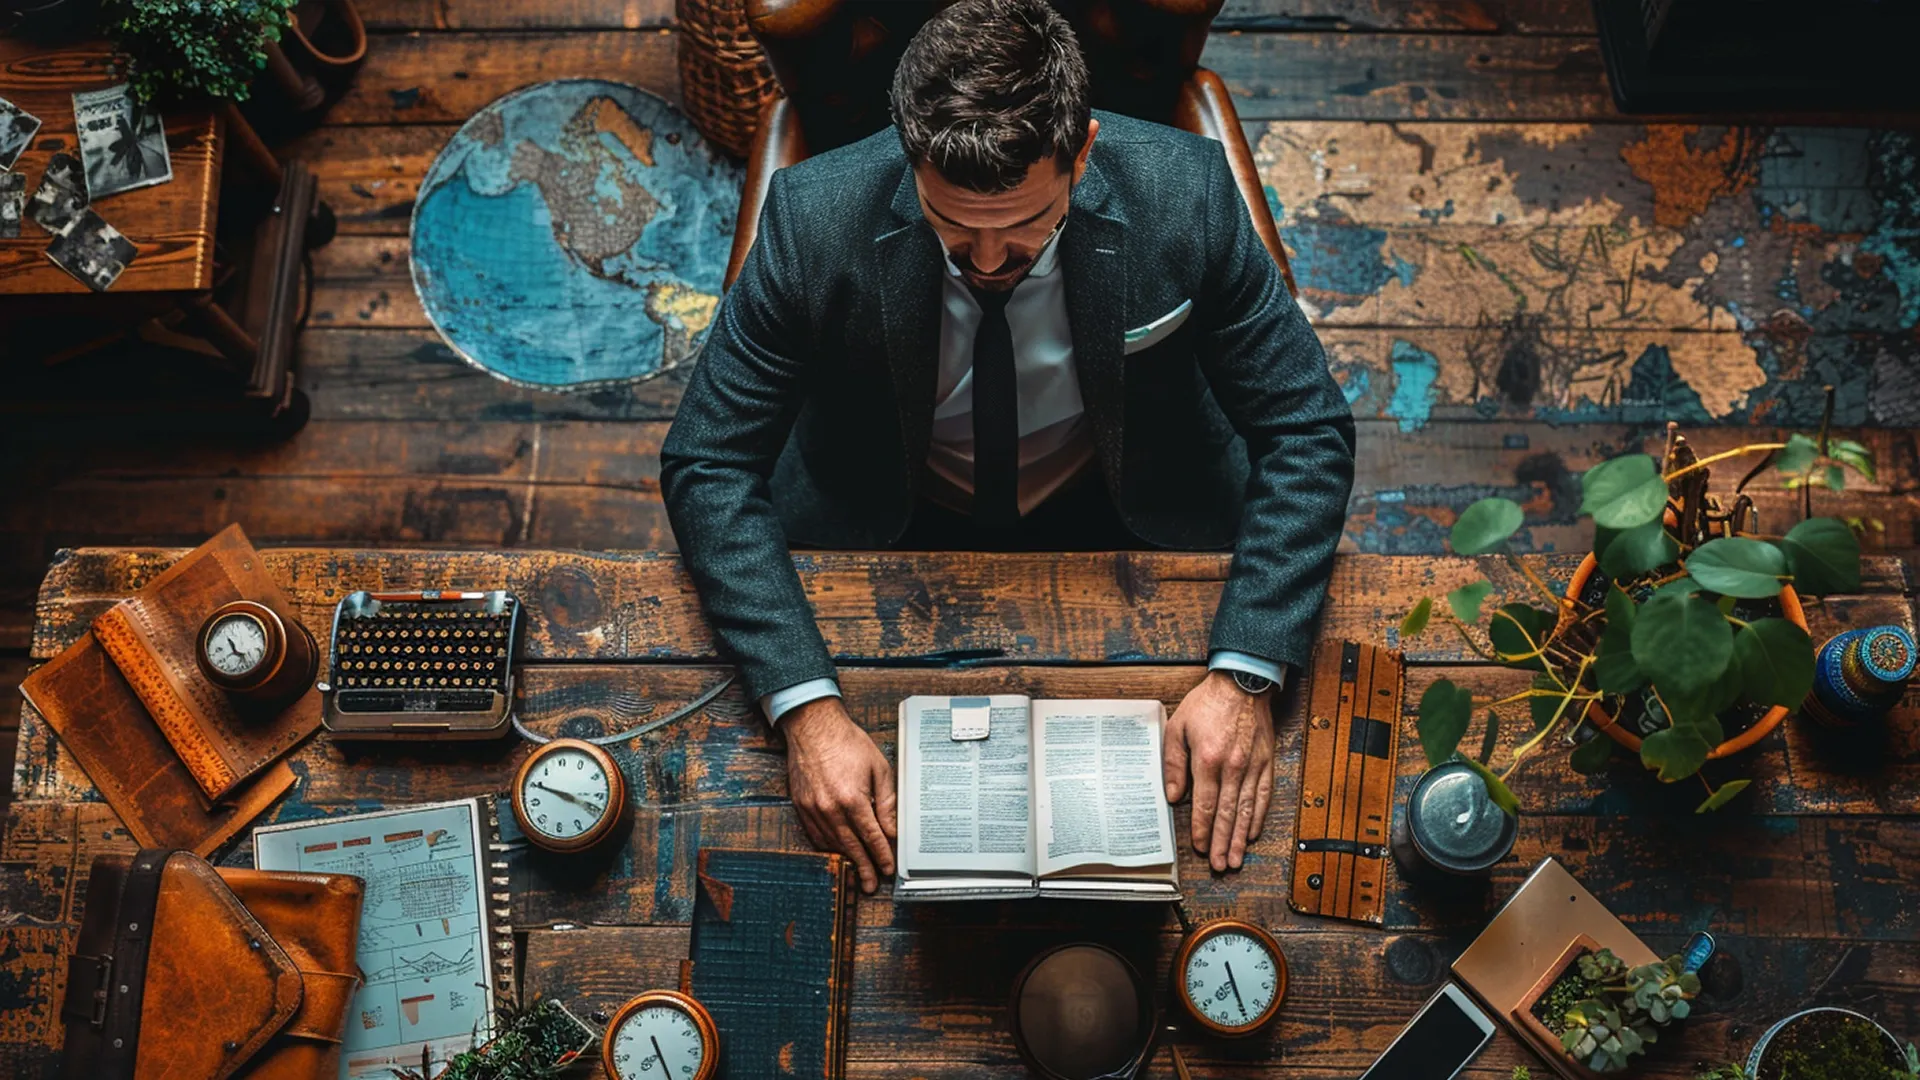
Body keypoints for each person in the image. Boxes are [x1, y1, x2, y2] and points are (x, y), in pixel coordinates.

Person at [661, 0, 1355, 892]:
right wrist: (805, 707)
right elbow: (706, 461)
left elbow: (1307, 430)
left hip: (1135, 509)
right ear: (908, 160)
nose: (987, 263)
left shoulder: (1189, 195)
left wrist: (1248, 673)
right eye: (954, 229)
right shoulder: (810, 219)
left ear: (1086, 151)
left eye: (1023, 229)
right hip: (886, 518)